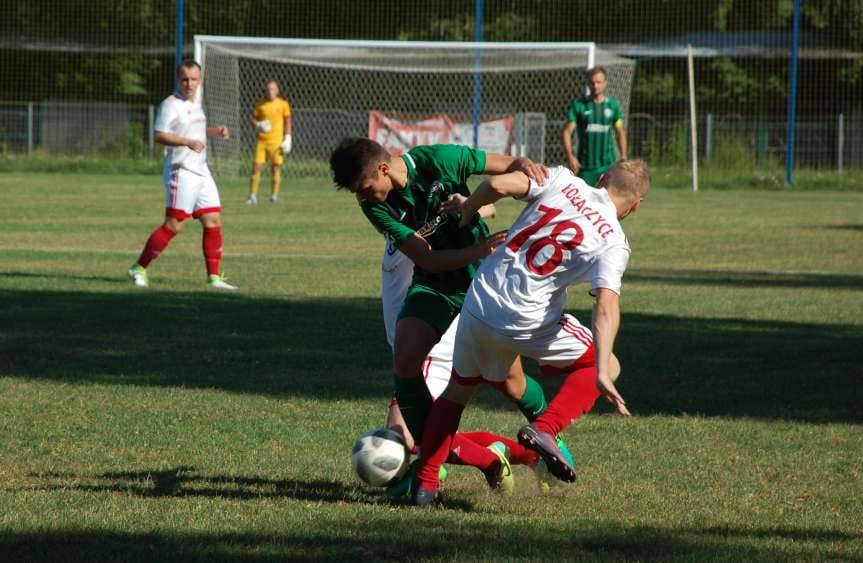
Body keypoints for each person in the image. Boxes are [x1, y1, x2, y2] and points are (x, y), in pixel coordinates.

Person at [411, 159, 650, 505]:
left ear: (600, 179)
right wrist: (600, 373)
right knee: (609, 363)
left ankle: (424, 487)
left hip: (481, 303)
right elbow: (606, 305)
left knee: (455, 395)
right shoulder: (614, 241)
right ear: (636, 206)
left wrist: (469, 208)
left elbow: (496, 186)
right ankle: (545, 428)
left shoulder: (562, 179)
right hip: (528, 321)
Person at [329, 139, 556, 452]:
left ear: (384, 169)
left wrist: (522, 168)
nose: (364, 197)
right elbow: (428, 259)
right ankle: (426, 461)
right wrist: (477, 247)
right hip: (434, 283)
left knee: (510, 382)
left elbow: (508, 165)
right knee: (406, 358)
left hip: (482, 281)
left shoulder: (440, 159)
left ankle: (550, 434)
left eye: (366, 188)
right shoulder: (375, 206)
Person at [127, 60, 237, 291]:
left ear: (200, 80)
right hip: (181, 170)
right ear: (178, 80)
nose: (189, 84)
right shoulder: (170, 104)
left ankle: (214, 278)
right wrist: (186, 142)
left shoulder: (196, 102)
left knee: (213, 220)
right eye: (185, 79)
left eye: (194, 79)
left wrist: (214, 133)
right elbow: (159, 135)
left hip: (201, 170)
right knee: (174, 225)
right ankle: (139, 268)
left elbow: (193, 132)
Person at [562, 66, 628, 186]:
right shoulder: (579, 105)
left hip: (608, 166)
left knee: (607, 201)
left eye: (598, 82)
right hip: (585, 166)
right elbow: (567, 132)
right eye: (592, 82)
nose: (595, 85)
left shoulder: (613, 106)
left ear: (605, 83)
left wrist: (623, 156)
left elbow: (620, 132)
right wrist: (570, 157)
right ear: (588, 83)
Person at [247, 80, 292, 205]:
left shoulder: (283, 104)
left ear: (277, 90)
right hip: (262, 141)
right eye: (268, 89)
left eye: (272, 89)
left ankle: (274, 196)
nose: (270, 91)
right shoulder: (260, 104)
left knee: (276, 168)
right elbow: (253, 119)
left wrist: (288, 138)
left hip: (276, 143)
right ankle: (252, 196)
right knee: (256, 167)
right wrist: (259, 125)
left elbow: (288, 121)